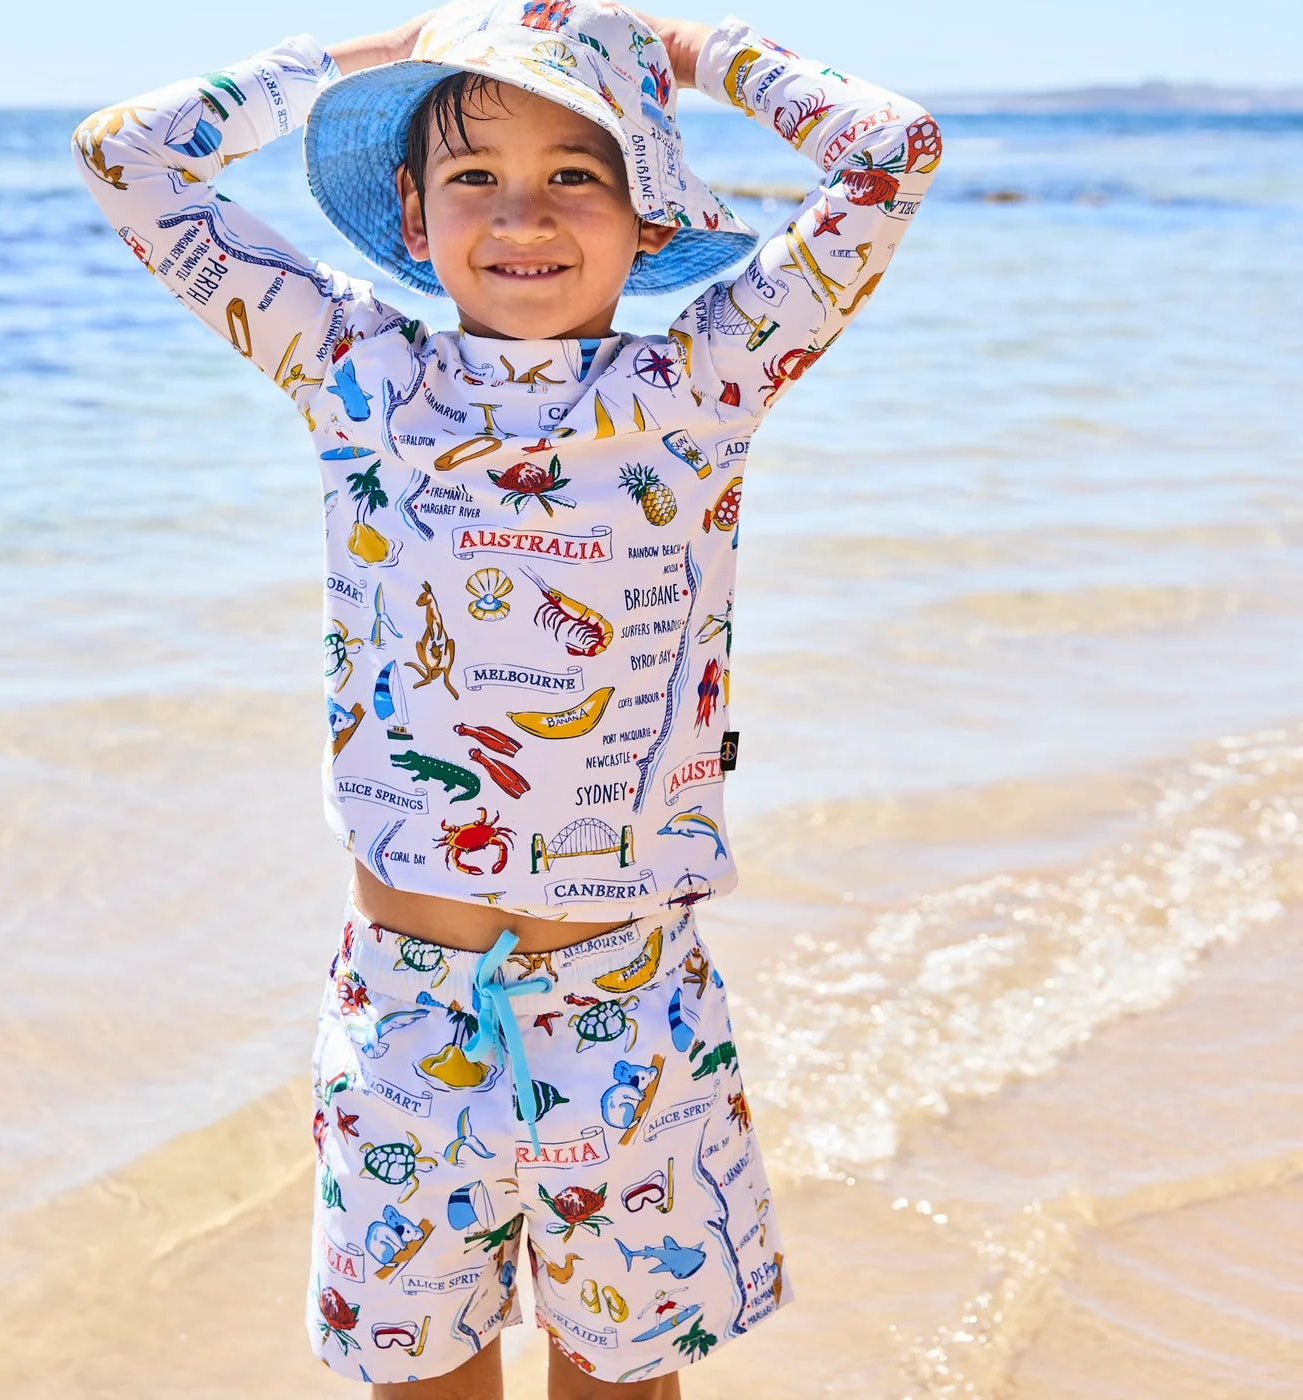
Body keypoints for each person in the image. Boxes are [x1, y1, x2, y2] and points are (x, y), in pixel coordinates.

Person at [71, 1, 939, 1394]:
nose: (521, 212)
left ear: (648, 216)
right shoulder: (357, 373)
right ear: (411, 215)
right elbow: (128, 157)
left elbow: (890, 152)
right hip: (409, 1007)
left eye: (575, 173)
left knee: (622, 1376)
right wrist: (393, 49)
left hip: (629, 995)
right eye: (473, 173)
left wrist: (685, 50)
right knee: (423, 1375)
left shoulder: (700, 384)